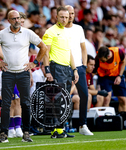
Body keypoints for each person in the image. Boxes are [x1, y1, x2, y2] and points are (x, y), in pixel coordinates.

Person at [0, 10, 47, 143]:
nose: (17, 21)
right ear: (8, 21)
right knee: (6, 104)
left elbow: (43, 47)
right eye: (13, 19)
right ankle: (3, 134)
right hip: (8, 72)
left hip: (23, 72)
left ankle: (26, 132)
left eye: (18, 18)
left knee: (25, 103)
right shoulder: (3, 33)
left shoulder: (27, 32)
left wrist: (34, 63)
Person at [42, 6, 79, 138]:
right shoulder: (50, 31)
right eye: (62, 17)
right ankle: (57, 130)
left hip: (66, 69)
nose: (64, 19)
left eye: (67, 17)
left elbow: (69, 53)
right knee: (57, 100)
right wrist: (47, 70)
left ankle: (59, 129)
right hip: (56, 68)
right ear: (56, 17)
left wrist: (74, 69)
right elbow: (45, 52)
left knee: (65, 99)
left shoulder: (66, 32)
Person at [65, 5, 93, 136]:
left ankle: (83, 125)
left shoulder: (79, 28)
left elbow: (83, 48)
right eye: (68, 13)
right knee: (63, 96)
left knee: (85, 95)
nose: (70, 16)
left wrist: (85, 65)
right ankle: (61, 126)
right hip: (64, 66)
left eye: (72, 13)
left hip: (79, 67)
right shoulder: (58, 30)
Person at [94, 46, 126, 113]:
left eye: (103, 60)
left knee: (123, 100)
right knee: (106, 99)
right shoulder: (98, 57)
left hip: (117, 76)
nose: (101, 61)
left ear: (108, 56)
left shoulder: (119, 52)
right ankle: (106, 119)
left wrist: (120, 76)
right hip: (104, 77)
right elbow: (93, 71)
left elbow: (123, 62)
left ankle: (123, 119)